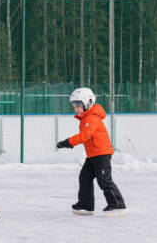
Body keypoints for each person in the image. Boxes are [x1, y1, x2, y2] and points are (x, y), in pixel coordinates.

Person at [56, 88, 127, 217]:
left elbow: (84, 136)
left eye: (78, 105)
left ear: (88, 103)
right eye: (74, 105)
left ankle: (117, 205)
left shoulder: (92, 118)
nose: (76, 108)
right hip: (93, 155)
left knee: (104, 180)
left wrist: (67, 142)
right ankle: (85, 205)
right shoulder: (86, 118)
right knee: (85, 178)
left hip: (102, 154)